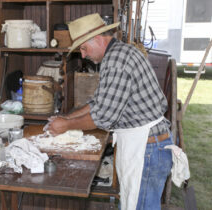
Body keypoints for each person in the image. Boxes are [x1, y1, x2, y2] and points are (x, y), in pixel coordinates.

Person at [47, 13, 173, 210]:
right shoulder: (116, 55)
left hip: (147, 148)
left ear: (97, 39)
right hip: (145, 144)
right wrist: (67, 117)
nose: (83, 54)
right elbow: (98, 102)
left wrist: (66, 126)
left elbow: (103, 117)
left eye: (83, 48)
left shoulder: (117, 60)